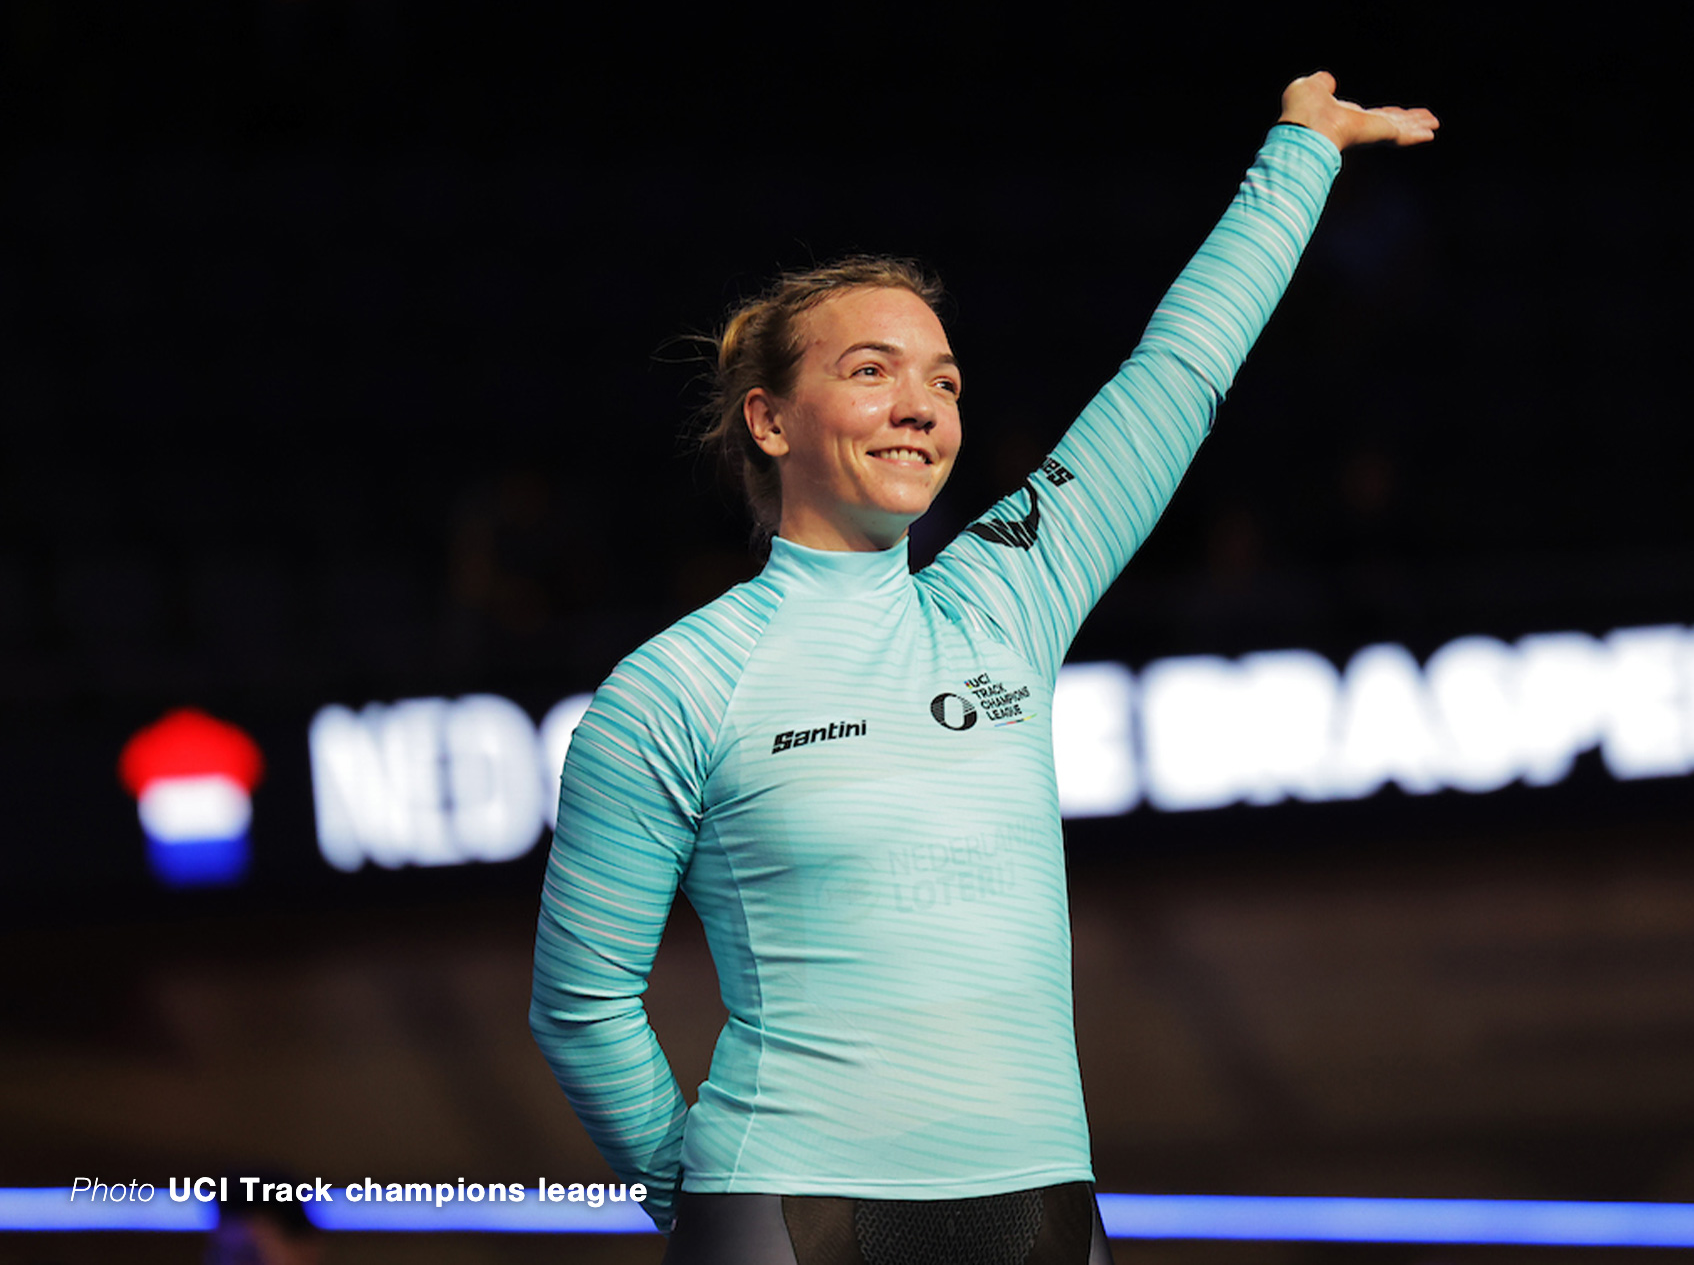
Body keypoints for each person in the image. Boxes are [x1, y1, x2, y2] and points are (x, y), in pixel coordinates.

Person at [531, 72, 1437, 1265]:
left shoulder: (1003, 598)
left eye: (943, 380)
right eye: (871, 371)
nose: (920, 406)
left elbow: (1171, 382)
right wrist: (701, 1201)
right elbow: (581, 1005)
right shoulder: (672, 689)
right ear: (767, 420)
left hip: (1038, 1210)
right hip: (789, 1210)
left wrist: (1298, 157)